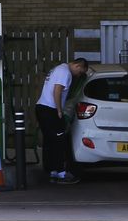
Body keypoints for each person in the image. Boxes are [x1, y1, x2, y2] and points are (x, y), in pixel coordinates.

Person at [35, 56, 88, 184]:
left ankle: (52, 171)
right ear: (78, 66)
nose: (78, 75)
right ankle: (61, 173)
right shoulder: (65, 72)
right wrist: (59, 110)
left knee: (50, 141)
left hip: (42, 108)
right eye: (80, 72)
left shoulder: (58, 69)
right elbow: (57, 90)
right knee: (59, 140)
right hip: (50, 109)